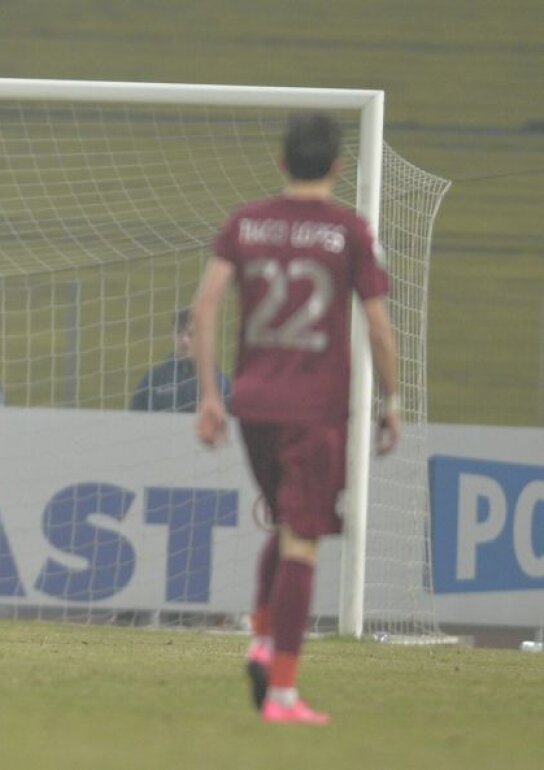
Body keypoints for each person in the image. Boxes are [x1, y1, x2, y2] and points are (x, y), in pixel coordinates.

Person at [191, 111, 401, 726]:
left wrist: (209, 395)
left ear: (281, 162)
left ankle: (260, 639)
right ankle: (282, 694)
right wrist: (392, 401)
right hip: (315, 408)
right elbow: (380, 328)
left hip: (252, 402)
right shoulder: (349, 231)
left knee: (287, 525)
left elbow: (205, 307)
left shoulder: (245, 222)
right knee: (303, 542)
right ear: (339, 166)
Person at [129, 307, 230, 412]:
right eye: (179, 332)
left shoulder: (219, 383)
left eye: (191, 334)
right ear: (172, 335)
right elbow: (134, 418)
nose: (184, 340)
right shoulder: (154, 380)